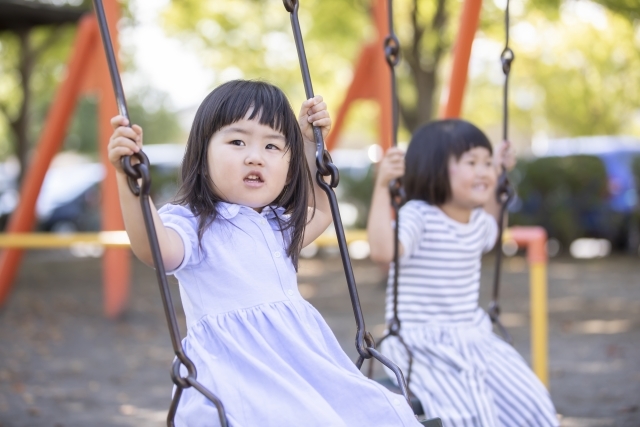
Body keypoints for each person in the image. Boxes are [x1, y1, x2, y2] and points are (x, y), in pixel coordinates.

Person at [108, 80, 423, 426]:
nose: (255, 156)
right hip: (237, 371)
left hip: (298, 364)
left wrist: (307, 144)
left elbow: (321, 210)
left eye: (273, 146)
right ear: (201, 155)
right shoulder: (194, 224)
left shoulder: (275, 225)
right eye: (237, 141)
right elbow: (156, 248)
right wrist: (131, 182)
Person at [367, 119, 558, 426]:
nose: (483, 171)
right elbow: (382, 251)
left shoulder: (478, 221)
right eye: (472, 162)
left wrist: (500, 172)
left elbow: (494, 230)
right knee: (467, 416)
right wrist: (382, 186)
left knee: (532, 402)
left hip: (474, 338)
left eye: (486, 162)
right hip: (422, 344)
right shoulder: (419, 217)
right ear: (434, 169)